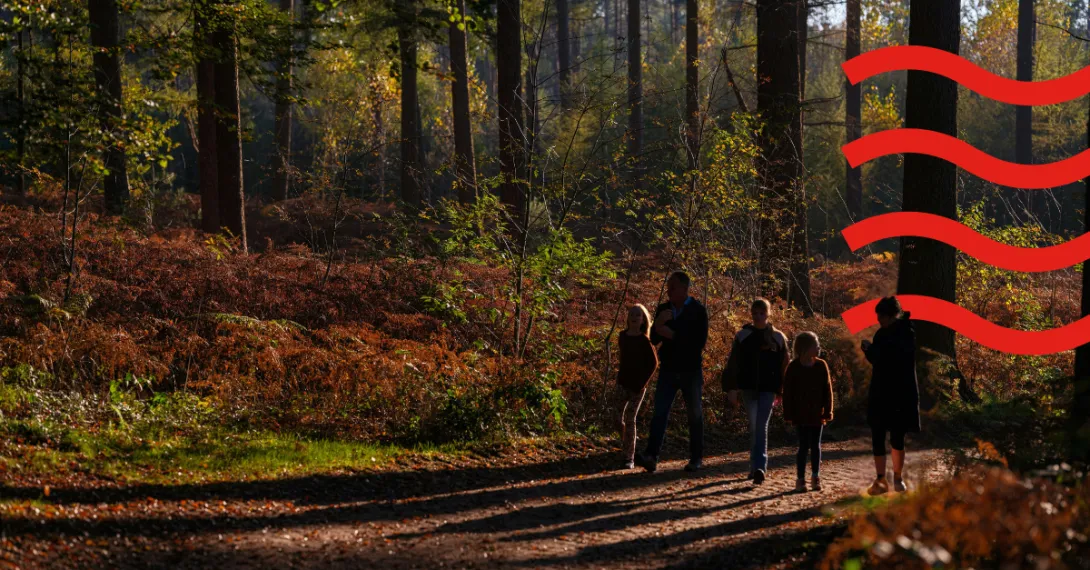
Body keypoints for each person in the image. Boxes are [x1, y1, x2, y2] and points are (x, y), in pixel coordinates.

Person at [635, 271, 709, 473]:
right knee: (660, 412)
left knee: (694, 414)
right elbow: (654, 340)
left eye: (673, 287)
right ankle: (651, 455)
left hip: (690, 370)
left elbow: (698, 343)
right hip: (668, 368)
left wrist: (673, 335)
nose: (668, 290)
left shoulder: (697, 311)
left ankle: (696, 458)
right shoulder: (664, 309)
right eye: (668, 286)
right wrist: (658, 325)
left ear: (685, 289)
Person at [722, 298, 789, 485]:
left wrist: (782, 389)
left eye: (762, 313)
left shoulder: (778, 338)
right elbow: (733, 363)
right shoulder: (743, 335)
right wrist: (731, 388)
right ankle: (754, 466)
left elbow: (785, 365)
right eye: (755, 313)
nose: (758, 316)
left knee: (761, 426)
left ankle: (760, 466)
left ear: (768, 314)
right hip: (748, 387)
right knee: (754, 426)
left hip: (769, 389)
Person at [861, 296, 920, 495]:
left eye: (881, 316)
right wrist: (870, 351)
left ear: (890, 315)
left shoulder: (904, 334)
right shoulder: (890, 333)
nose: (878, 320)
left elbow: (887, 359)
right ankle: (883, 480)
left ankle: (896, 477)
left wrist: (870, 350)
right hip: (883, 391)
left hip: (897, 392)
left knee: (896, 437)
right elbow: (879, 360)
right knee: (879, 434)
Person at [781, 331, 834, 493]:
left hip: (817, 414)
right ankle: (800, 479)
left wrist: (828, 410)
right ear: (805, 348)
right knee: (803, 446)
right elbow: (787, 393)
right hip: (800, 414)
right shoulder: (793, 367)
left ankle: (815, 476)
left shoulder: (821, 365)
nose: (818, 347)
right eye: (815, 345)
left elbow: (827, 389)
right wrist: (788, 414)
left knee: (816, 446)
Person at [615, 304, 659, 469]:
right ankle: (627, 441)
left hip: (638, 387)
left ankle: (629, 457)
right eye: (631, 314)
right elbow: (623, 358)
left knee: (630, 419)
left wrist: (642, 383)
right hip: (622, 383)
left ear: (643, 320)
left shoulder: (644, 340)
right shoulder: (622, 336)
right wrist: (619, 379)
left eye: (638, 315)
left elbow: (653, 364)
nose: (634, 317)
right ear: (627, 318)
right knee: (616, 417)